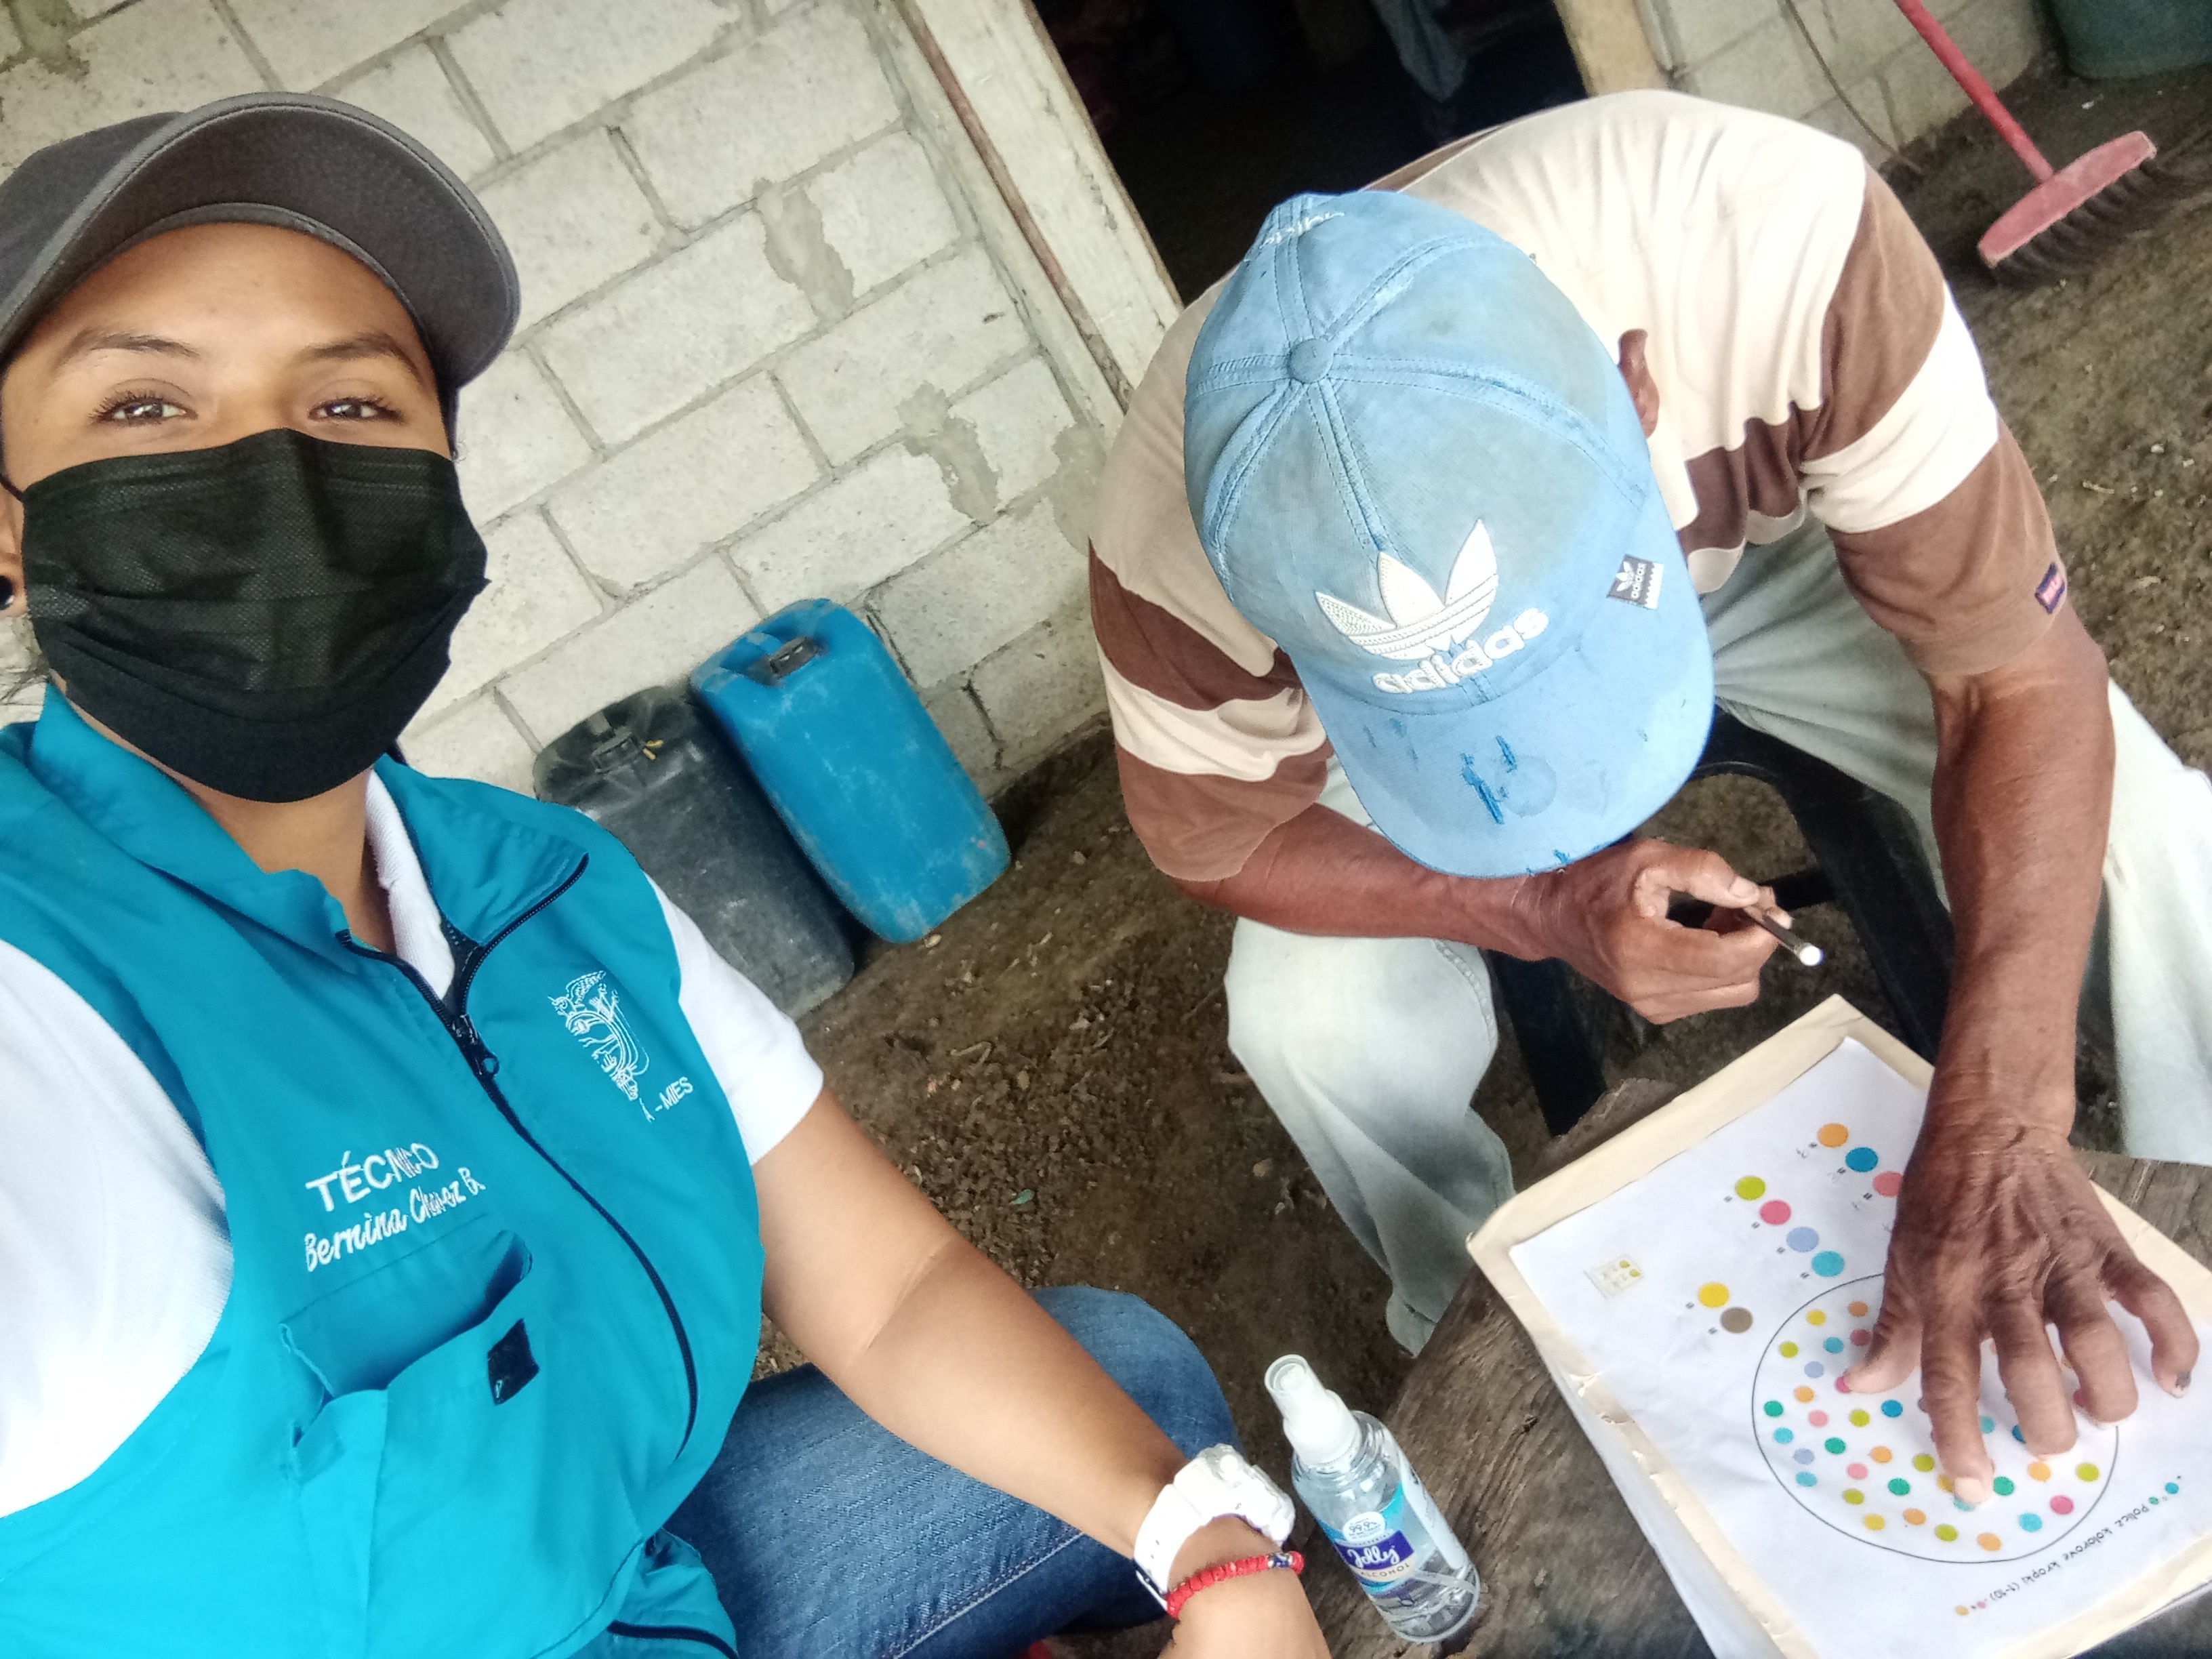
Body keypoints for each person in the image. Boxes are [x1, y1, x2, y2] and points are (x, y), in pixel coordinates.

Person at [0, 96, 1329, 1656]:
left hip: (640, 1579)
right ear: (9, 526)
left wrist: (1212, 1553)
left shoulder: (543, 889)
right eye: (145, 408)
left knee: (1128, 1384)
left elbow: (892, 1289)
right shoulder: (43, 1008)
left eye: (352, 403)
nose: (273, 479)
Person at [1088, 89, 2205, 1498]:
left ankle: (2188, 1220)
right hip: (1393, 710)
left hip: (1775, 561)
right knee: (1303, 1018)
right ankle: (1479, 1334)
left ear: (1633, 388)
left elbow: (2019, 680)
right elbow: (1214, 834)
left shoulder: (1783, 244)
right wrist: (1542, 904)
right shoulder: (1183, 533)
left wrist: (2002, 1118)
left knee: (2150, 836)